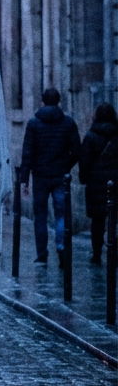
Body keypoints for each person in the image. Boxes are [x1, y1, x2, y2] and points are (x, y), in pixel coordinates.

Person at [20, 87, 81, 267]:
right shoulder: (68, 123)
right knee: (61, 215)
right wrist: (66, 165)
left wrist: (24, 179)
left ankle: (42, 254)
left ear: (43, 101)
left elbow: (27, 153)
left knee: (40, 216)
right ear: (58, 101)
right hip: (60, 175)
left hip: (40, 176)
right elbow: (77, 150)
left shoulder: (33, 124)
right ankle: (61, 247)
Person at [79, 103, 118, 265]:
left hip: (96, 183)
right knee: (114, 219)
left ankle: (96, 254)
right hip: (115, 182)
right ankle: (114, 252)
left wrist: (84, 178)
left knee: (97, 221)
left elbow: (85, 161)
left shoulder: (90, 136)